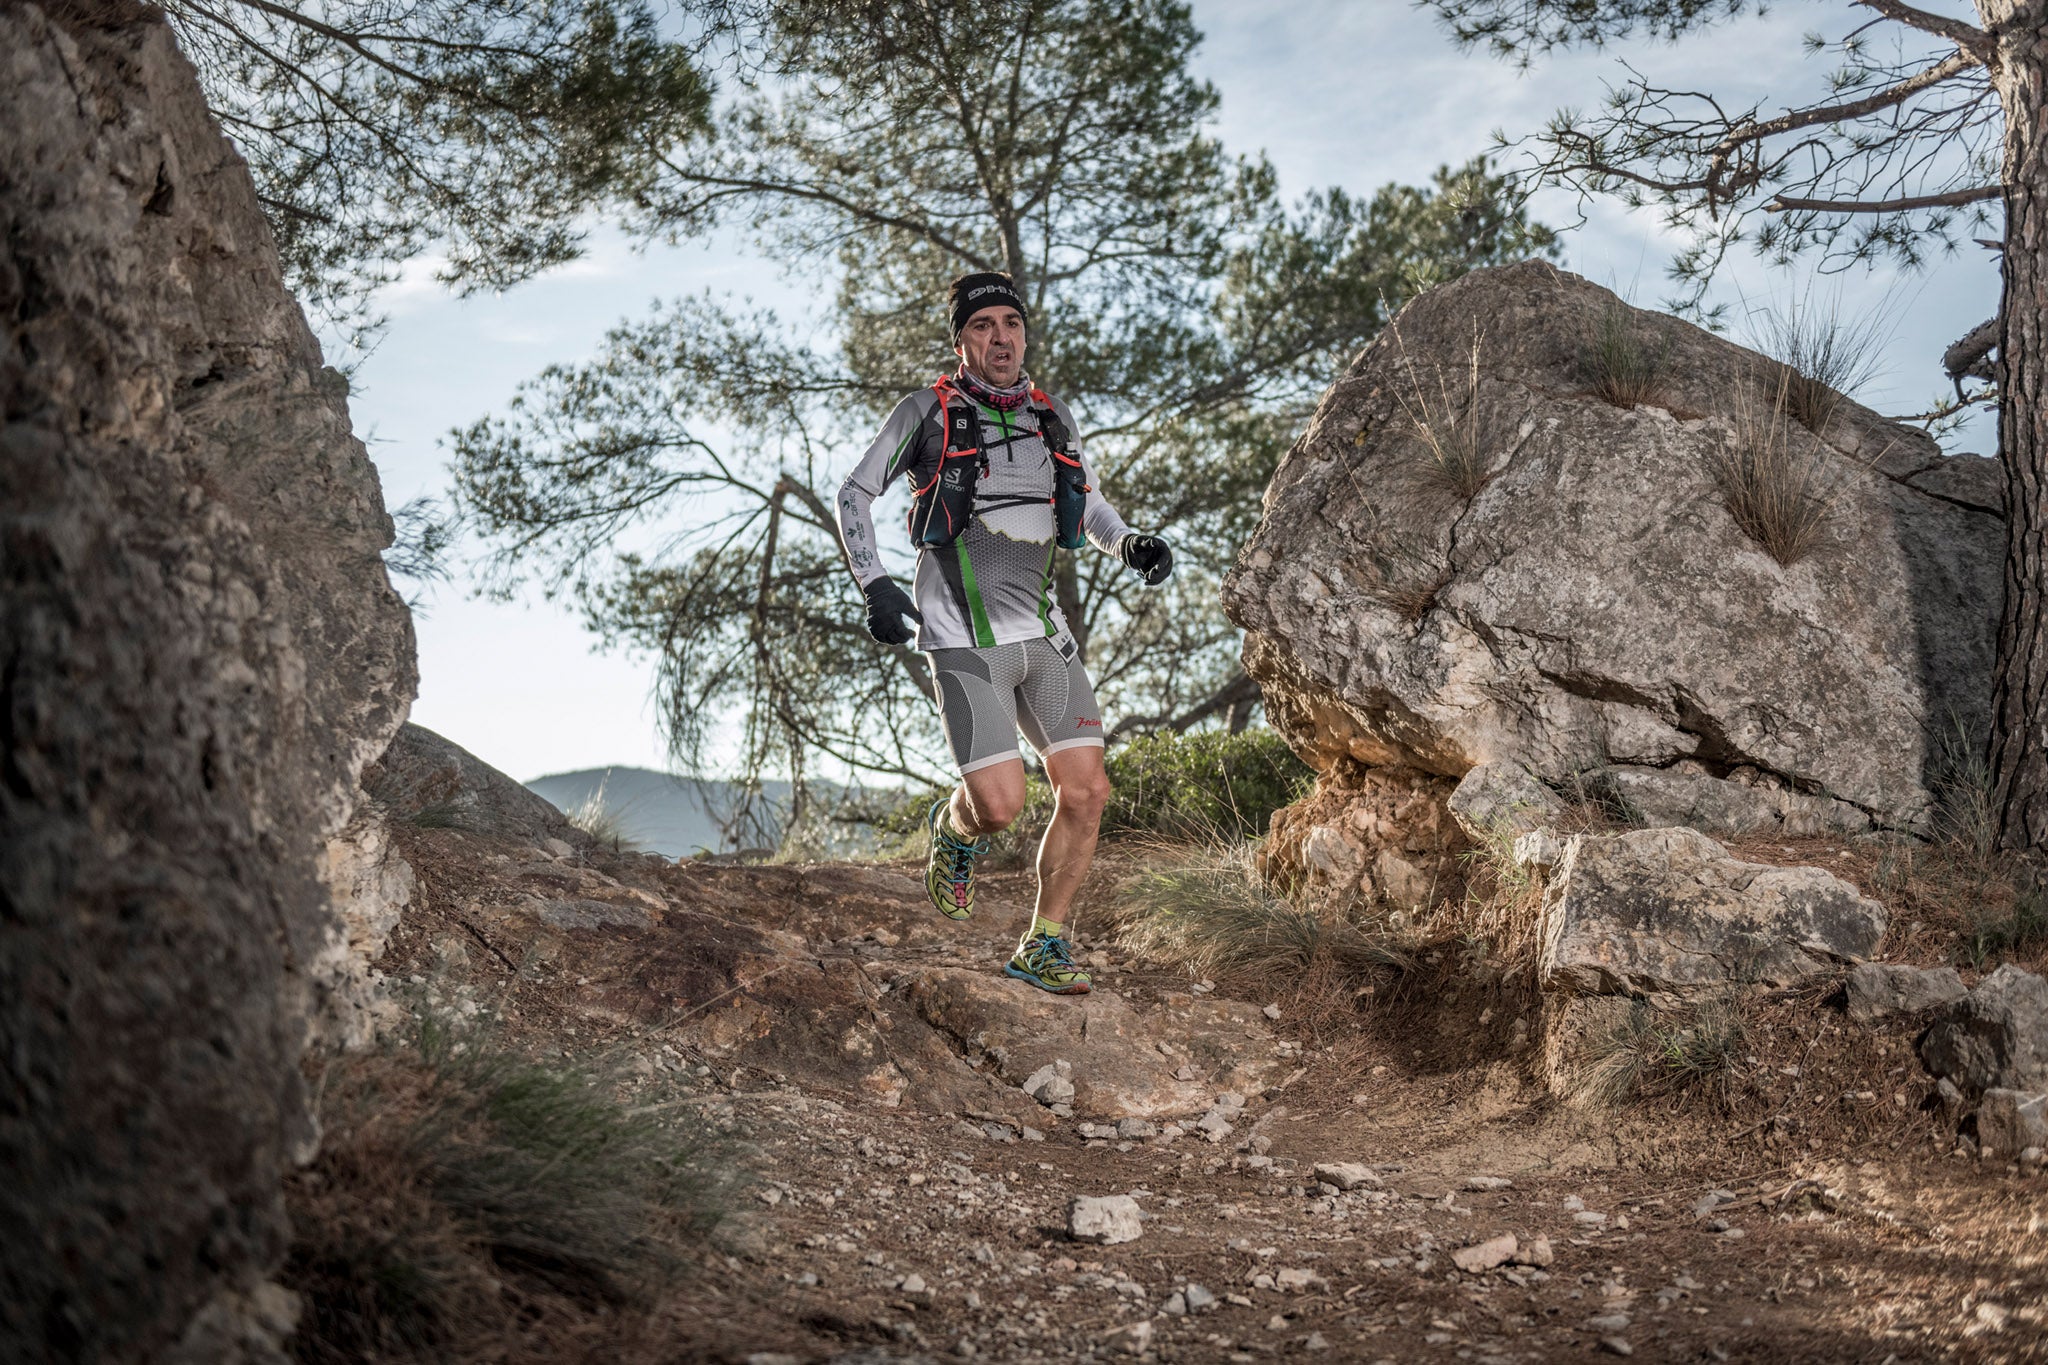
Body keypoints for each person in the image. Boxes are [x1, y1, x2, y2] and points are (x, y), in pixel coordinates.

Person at [836, 272, 1173, 995]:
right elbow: (855, 492)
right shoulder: (926, 412)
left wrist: (1130, 543)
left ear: (1024, 334)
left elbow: (1085, 504)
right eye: (983, 324)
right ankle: (954, 829)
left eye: (1010, 324)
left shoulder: (1052, 417)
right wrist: (875, 584)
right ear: (961, 338)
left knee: (1087, 791)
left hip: (1044, 637)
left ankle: (1044, 942)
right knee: (1000, 806)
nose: (999, 337)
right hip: (963, 638)